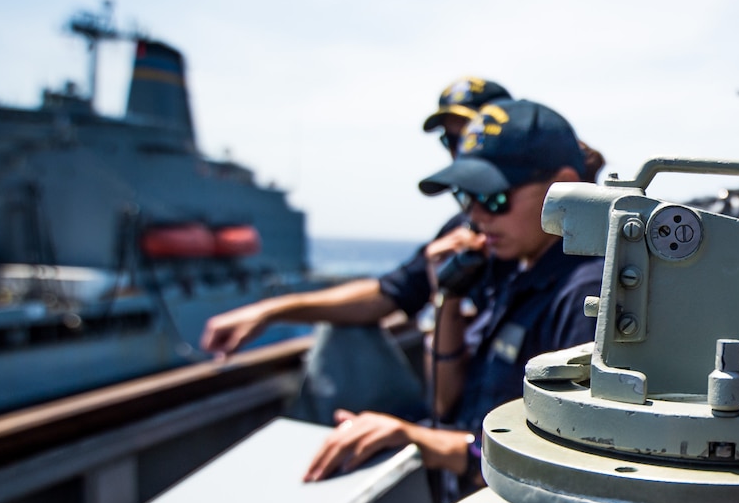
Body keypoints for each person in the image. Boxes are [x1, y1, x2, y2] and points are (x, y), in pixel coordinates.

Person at [303, 98, 604, 503]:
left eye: (494, 199)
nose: (476, 216)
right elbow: (445, 405)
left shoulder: (584, 296)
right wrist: (448, 294)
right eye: (466, 198)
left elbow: (564, 471)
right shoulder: (512, 267)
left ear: (564, 188)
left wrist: (420, 440)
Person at [199, 77, 518, 355]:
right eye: (451, 139)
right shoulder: (459, 233)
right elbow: (387, 293)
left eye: (474, 136)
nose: (461, 150)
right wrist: (271, 310)